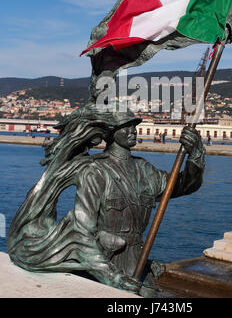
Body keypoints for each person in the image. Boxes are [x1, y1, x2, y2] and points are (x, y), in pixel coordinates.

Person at [8, 104, 205, 297]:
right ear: (111, 132)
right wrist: (113, 277)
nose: (133, 131)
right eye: (125, 127)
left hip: (137, 261)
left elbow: (182, 186)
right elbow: (82, 233)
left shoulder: (145, 170)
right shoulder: (95, 171)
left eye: (134, 126)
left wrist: (195, 157)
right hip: (103, 264)